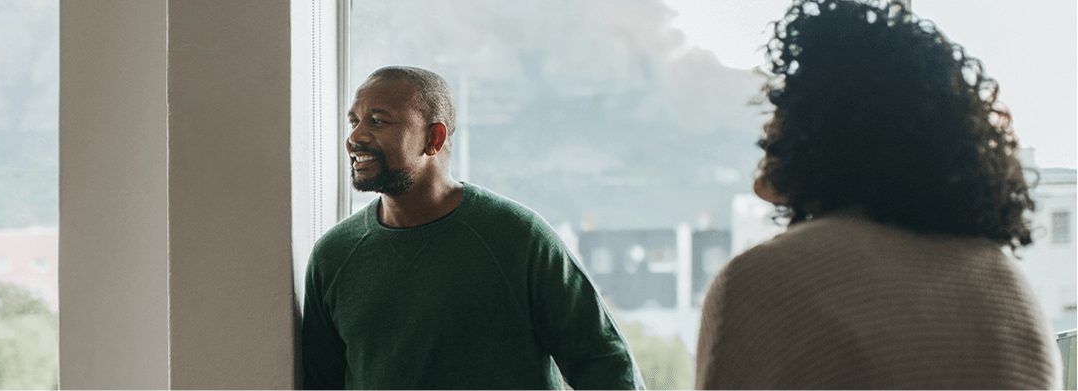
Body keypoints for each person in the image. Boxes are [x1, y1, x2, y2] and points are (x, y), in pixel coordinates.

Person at [695, 1, 1062, 389]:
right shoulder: (1009, 289)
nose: (771, 125)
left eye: (786, 104)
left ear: (825, 124)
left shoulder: (765, 280)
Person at [300, 66, 643, 390]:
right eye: (354, 121)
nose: (355, 137)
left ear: (433, 138)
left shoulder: (518, 238)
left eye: (377, 121)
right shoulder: (333, 256)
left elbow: (607, 366)